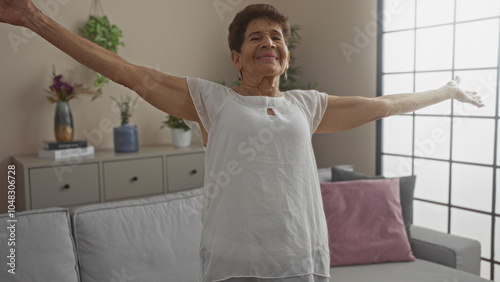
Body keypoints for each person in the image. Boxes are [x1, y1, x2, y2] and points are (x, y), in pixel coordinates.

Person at [0, 2, 484, 282]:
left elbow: (382, 104)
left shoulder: (307, 105)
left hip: (302, 259)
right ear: (237, 56)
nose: (268, 42)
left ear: (286, 55)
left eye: (276, 37)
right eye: (256, 38)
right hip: (236, 265)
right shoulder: (213, 101)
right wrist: (33, 18)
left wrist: (447, 90)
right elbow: (135, 75)